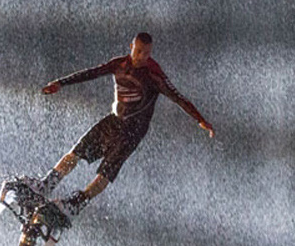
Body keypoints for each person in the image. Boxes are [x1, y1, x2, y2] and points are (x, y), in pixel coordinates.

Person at [27, 32, 214, 221]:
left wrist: (200, 120)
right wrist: (60, 83)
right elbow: (91, 73)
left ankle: (76, 204)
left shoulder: (154, 74)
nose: (142, 57)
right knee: (76, 152)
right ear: (131, 46)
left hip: (134, 130)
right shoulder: (119, 64)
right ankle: (46, 185)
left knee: (106, 172)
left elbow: (178, 98)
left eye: (146, 53)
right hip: (114, 120)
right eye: (139, 51)